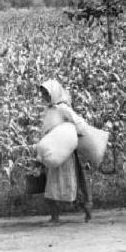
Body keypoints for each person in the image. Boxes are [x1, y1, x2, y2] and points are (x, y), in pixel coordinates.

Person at [37, 79, 92, 224]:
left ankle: (85, 208)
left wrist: (74, 134)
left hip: (64, 154)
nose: (45, 97)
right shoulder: (49, 110)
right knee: (52, 186)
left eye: (47, 93)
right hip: (53, 153)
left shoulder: (62, 108)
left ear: (54, 93)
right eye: (43, 94)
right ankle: (55, 217)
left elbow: (79, 123)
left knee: (69, 184)